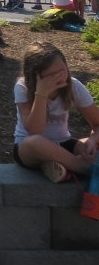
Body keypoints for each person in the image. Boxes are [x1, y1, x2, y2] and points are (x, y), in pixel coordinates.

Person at [12, 42, 99, 181]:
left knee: (89, 147)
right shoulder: (23, 87)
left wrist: (92, 140)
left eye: (62, 69)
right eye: (53, 74)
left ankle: (58, 166)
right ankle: (84, 168)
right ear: (36, 76)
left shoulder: (74, 85)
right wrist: (41, 93)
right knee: (34, 142)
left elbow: (97, 123)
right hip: (30, 149)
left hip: (64, 144)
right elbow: (35, 131)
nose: (61, 76)